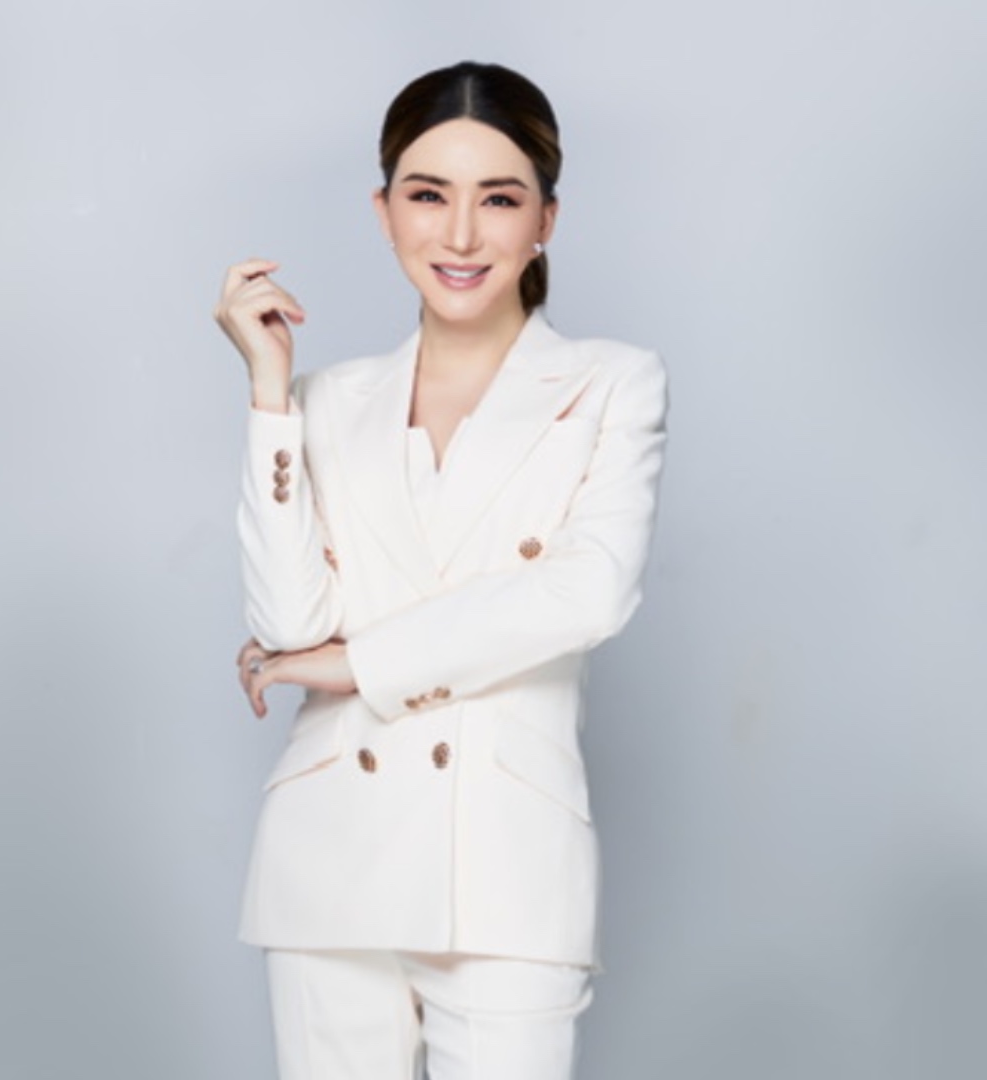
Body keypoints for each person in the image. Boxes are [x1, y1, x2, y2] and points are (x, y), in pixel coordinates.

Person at [214, 60, 667, 1080]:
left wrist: (357, 664)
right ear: (384, 214)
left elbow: (587, 592)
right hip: (329, 856)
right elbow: (289, 624)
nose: (460, 236)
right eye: (428, 196)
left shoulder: (609, 384)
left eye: (498, 199)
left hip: (504, 866)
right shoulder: (329, 401)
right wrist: (271, 392)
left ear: (546, 219)